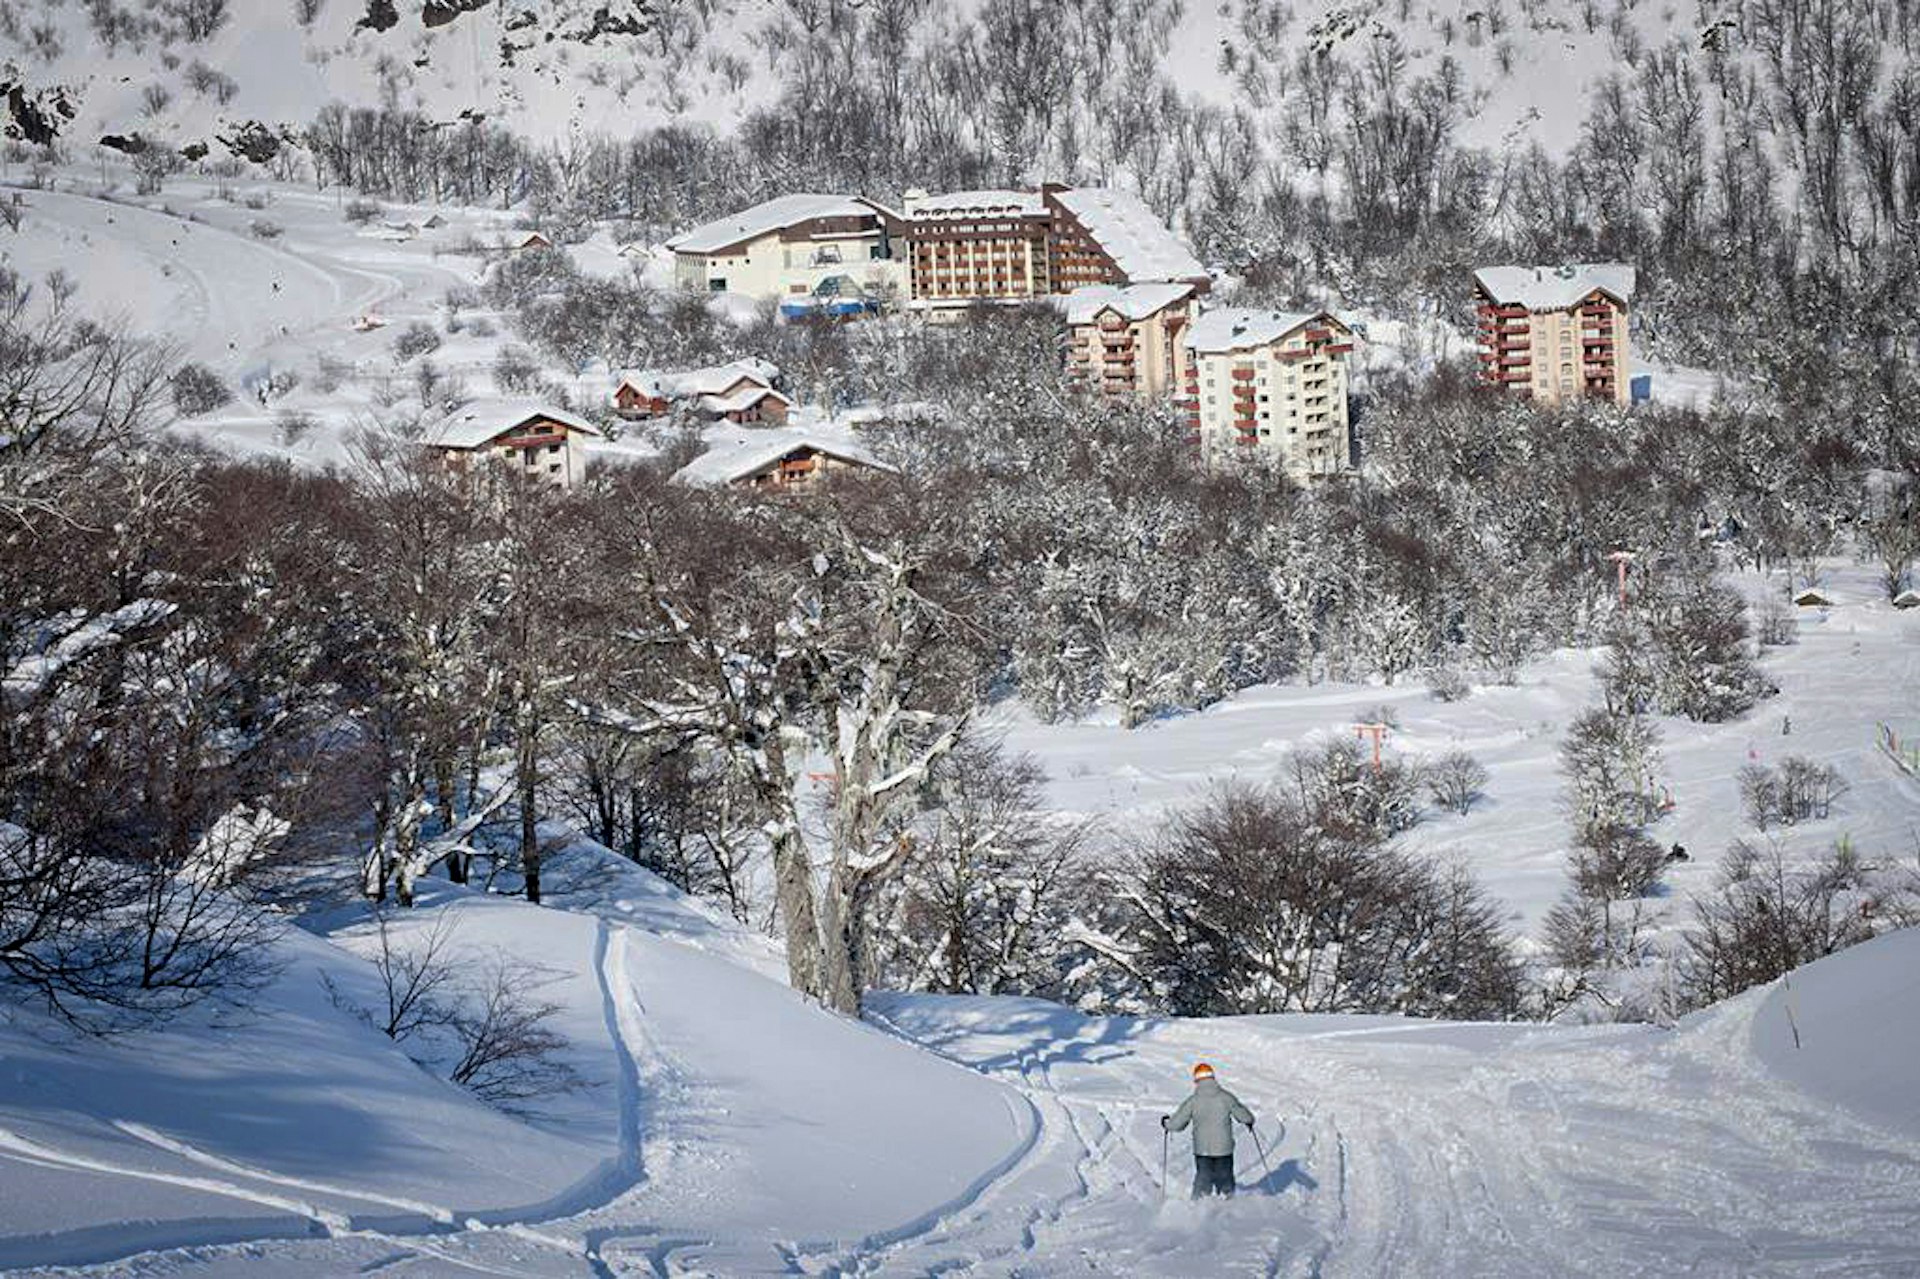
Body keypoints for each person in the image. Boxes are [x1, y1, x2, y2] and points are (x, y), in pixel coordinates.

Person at [1162, 1061, 1255, 1198]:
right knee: (1225, 1181)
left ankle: (1198, 1210)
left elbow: (1177, 1124)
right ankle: (1230, 1208)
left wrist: (1166, 1124)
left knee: (1203, 1181)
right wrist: (1249, 1121)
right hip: (1224, 1150)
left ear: (1197, 1079)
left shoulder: (1193, 1101)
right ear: (1213, 1078)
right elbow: (1244, 1115)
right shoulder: (1226, 1097)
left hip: (1202, 1150)